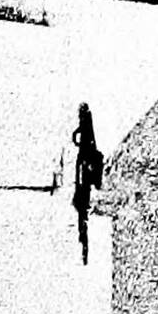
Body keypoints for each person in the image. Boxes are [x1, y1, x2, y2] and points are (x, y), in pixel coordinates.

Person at [71, 103, 101, 265]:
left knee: (82, 203)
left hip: (84, 163)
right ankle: (84, 244)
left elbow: (89, 140)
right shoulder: (86, 123)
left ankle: (84, 246)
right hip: (84, 164)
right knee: (82, 203)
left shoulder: (86, 122)